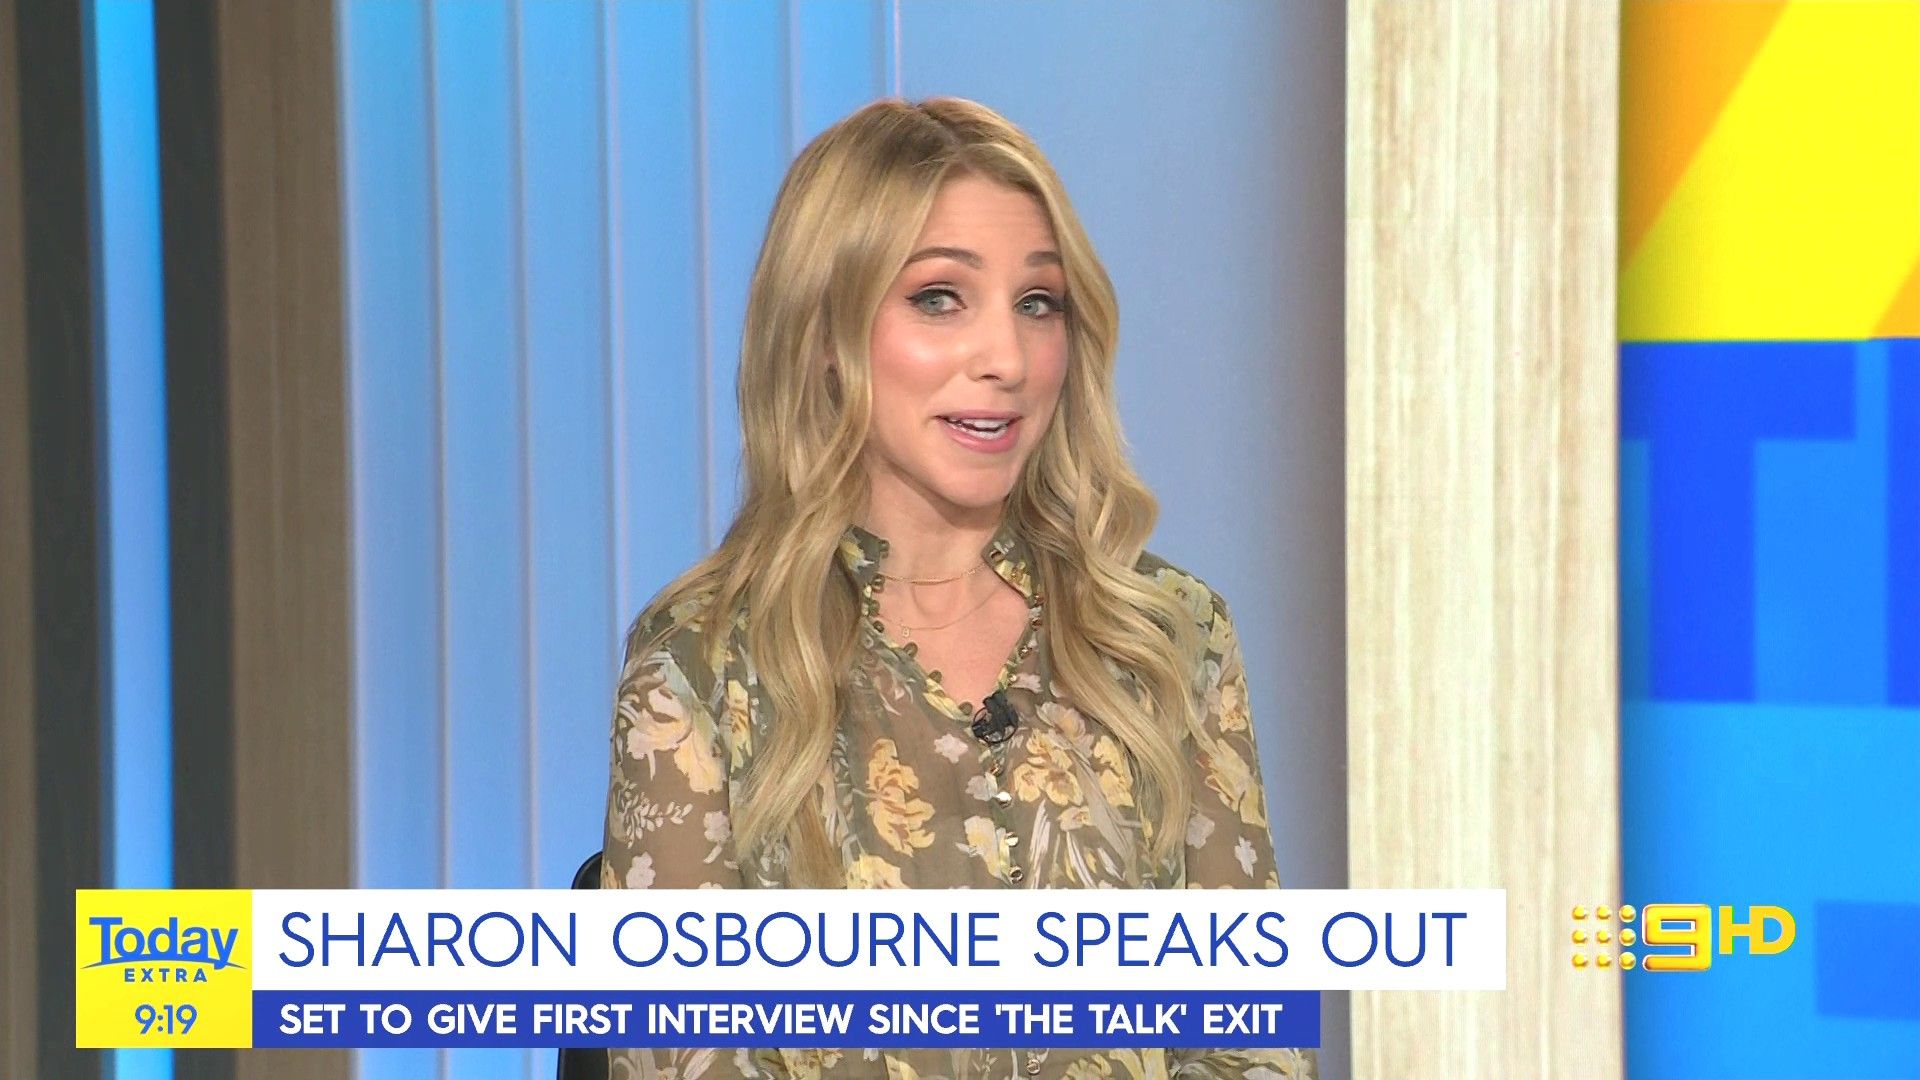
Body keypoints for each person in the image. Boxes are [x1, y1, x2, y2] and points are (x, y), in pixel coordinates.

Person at [601, 96, 1315, 1080]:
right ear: (824, 332)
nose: (1007, 360)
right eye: (940, 298)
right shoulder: (701, 662)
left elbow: (1251, 1050)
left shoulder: (1171, 636)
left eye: (1038, 303)